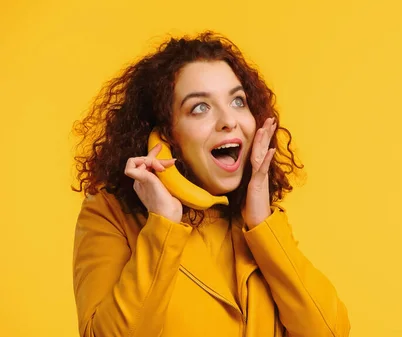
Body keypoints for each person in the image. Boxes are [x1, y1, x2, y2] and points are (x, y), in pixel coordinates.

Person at [70, 31, 350, 337]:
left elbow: (329, 332)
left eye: (238, 101)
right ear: (164, 137)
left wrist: (263, 224)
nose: (228, 120)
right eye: (200, 107)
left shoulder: (259, 223)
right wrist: (163, 225)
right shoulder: (108, 214)